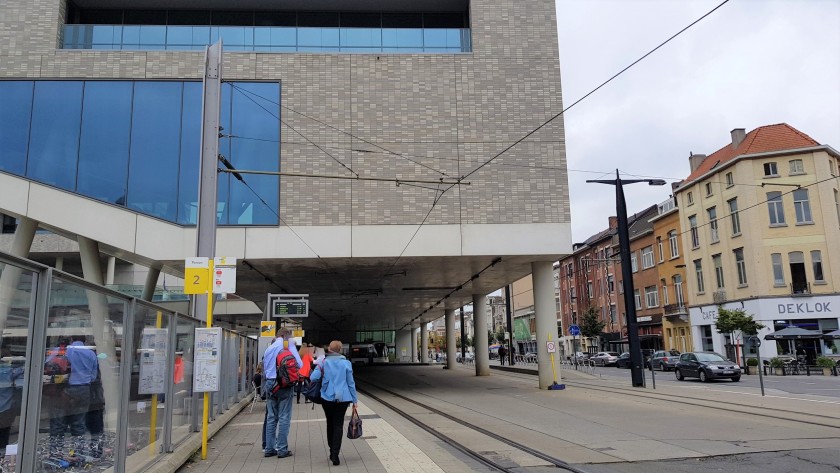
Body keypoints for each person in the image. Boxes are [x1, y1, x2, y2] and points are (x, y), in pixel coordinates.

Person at [310, 340, 358, 466]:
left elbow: (313, 378)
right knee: (338, 424)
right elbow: (351, 383)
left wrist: (320, 369)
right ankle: (335, 454)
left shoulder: (324, 362)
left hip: (327, 397)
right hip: (343, 398)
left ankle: (332, 449)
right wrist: (355, 400)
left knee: (330, 423)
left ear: (330, 349)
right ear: (340, 350)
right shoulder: (346, 363)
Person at [262, 329, 301, 459]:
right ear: (285, 336)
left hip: (269, 384)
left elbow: (265, 368)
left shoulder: (269, 348)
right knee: (284, 417)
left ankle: (269, 449)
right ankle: (282, 449)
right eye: (288, 337)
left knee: (271, 417)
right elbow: (299, 364)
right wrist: (291, 345)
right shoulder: (287, 346)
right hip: (283, 385)